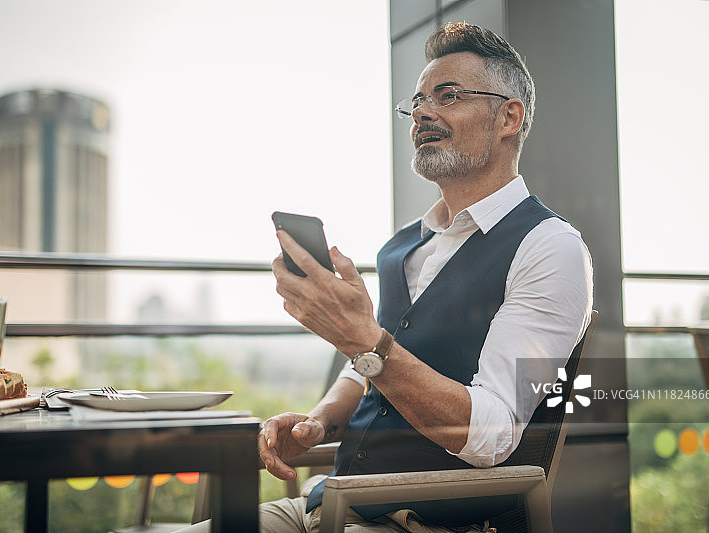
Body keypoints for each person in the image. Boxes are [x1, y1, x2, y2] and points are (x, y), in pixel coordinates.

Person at [178, 21, 592, 533]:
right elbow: (366, 365)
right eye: (416, 101)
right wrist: (320, 420)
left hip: (427, 521)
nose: (421, 112)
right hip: (327, 502)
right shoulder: (401, 247)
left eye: (449, 95)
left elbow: (493, 434)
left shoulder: (549, 247)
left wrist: (365, 339)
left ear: (509, 116)